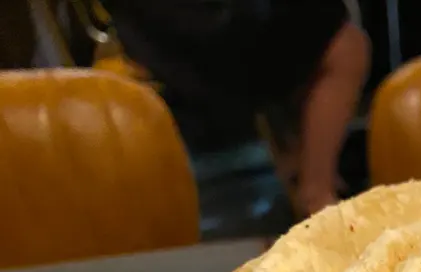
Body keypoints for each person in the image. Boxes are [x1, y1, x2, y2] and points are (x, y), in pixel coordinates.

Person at [105, 0, 369, 216]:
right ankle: (316, 192)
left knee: (313, 26)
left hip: (144, 24)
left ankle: (300, 166)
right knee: (345, 46)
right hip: (198, 22)